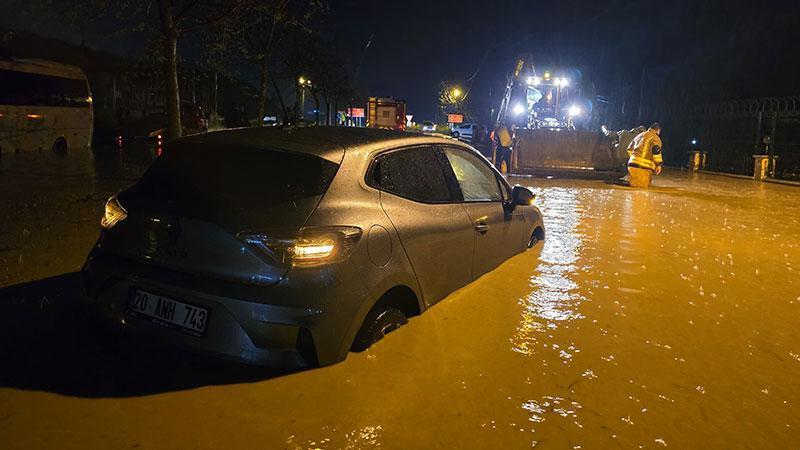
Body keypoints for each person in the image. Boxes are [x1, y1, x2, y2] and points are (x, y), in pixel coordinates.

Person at [626, 122, 663, 188]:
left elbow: (629, 149)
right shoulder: (655, 138)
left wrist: (635, 159)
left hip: (631, 165)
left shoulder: (639, 135)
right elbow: (656, 151)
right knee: (642, 191)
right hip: (643, 167)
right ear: (658, 130)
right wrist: (658, 165)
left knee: (634, 188)